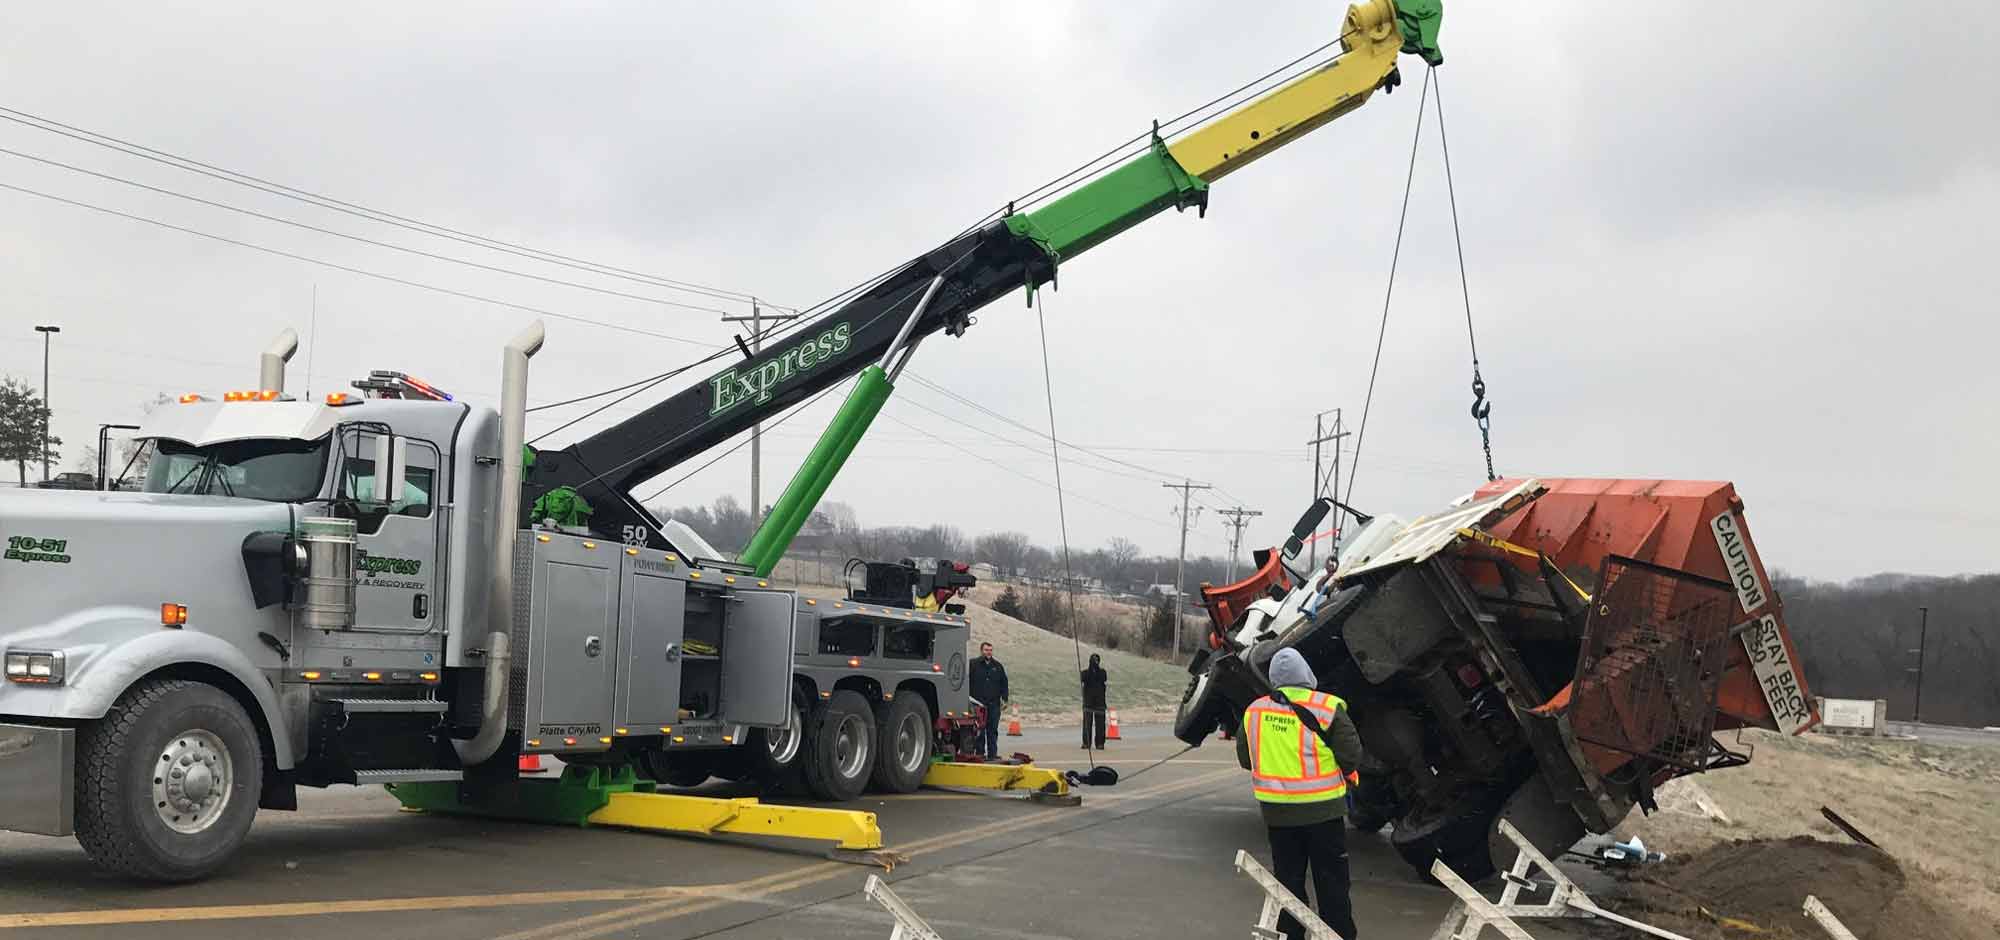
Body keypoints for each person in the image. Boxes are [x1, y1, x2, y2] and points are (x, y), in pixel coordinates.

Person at [1236, 647, 1363, 940]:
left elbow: (1246, 759)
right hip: (1323, 812)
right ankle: (1338, 934)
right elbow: (1352, 756)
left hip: (1277, 814)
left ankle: (1290, 934)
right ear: (1306, 674)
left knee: (1288, 880)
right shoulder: (1328, 707)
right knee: (1331, 881)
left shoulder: (1254, 711)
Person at [968, 641, 1009, 759]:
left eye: (990, 650)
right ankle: (980, 754)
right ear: (981, 651)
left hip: (994, 704)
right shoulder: (973, 664)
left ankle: (992, 754)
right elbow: (967, 681)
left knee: (992, 730)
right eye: (986, 650)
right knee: (979, 730)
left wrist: (1005, 699)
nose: (989, 652)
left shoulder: (998, 666)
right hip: (977, 704)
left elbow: (1004, 683)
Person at [1080, 653, 1109, 748]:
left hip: (1100, 703)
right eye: (1093, 661)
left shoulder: (1102, 672)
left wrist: (1095, 670)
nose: (1095, 663)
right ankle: (1086, 743)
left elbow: (1103, 678)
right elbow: (1083, 678)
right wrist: (1091, 670)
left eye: (1096, 661)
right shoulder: (1085, 673)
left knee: (1100, 725)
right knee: (1087, 725)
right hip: (1088, 703)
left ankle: (1100, 743)